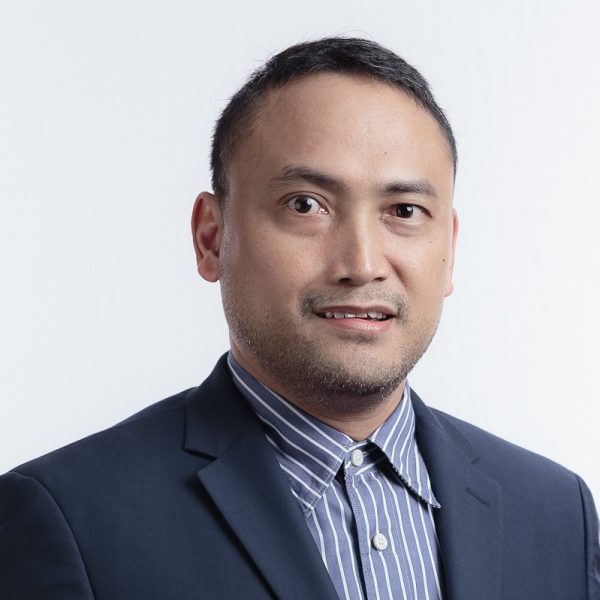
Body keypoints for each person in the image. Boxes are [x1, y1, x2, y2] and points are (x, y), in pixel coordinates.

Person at [0, 37, 598, 600]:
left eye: (404, 210)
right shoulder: (72, 518)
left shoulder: (556, 514)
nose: (362, 264)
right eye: (306, 205)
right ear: (211, 238)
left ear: (450, 249)